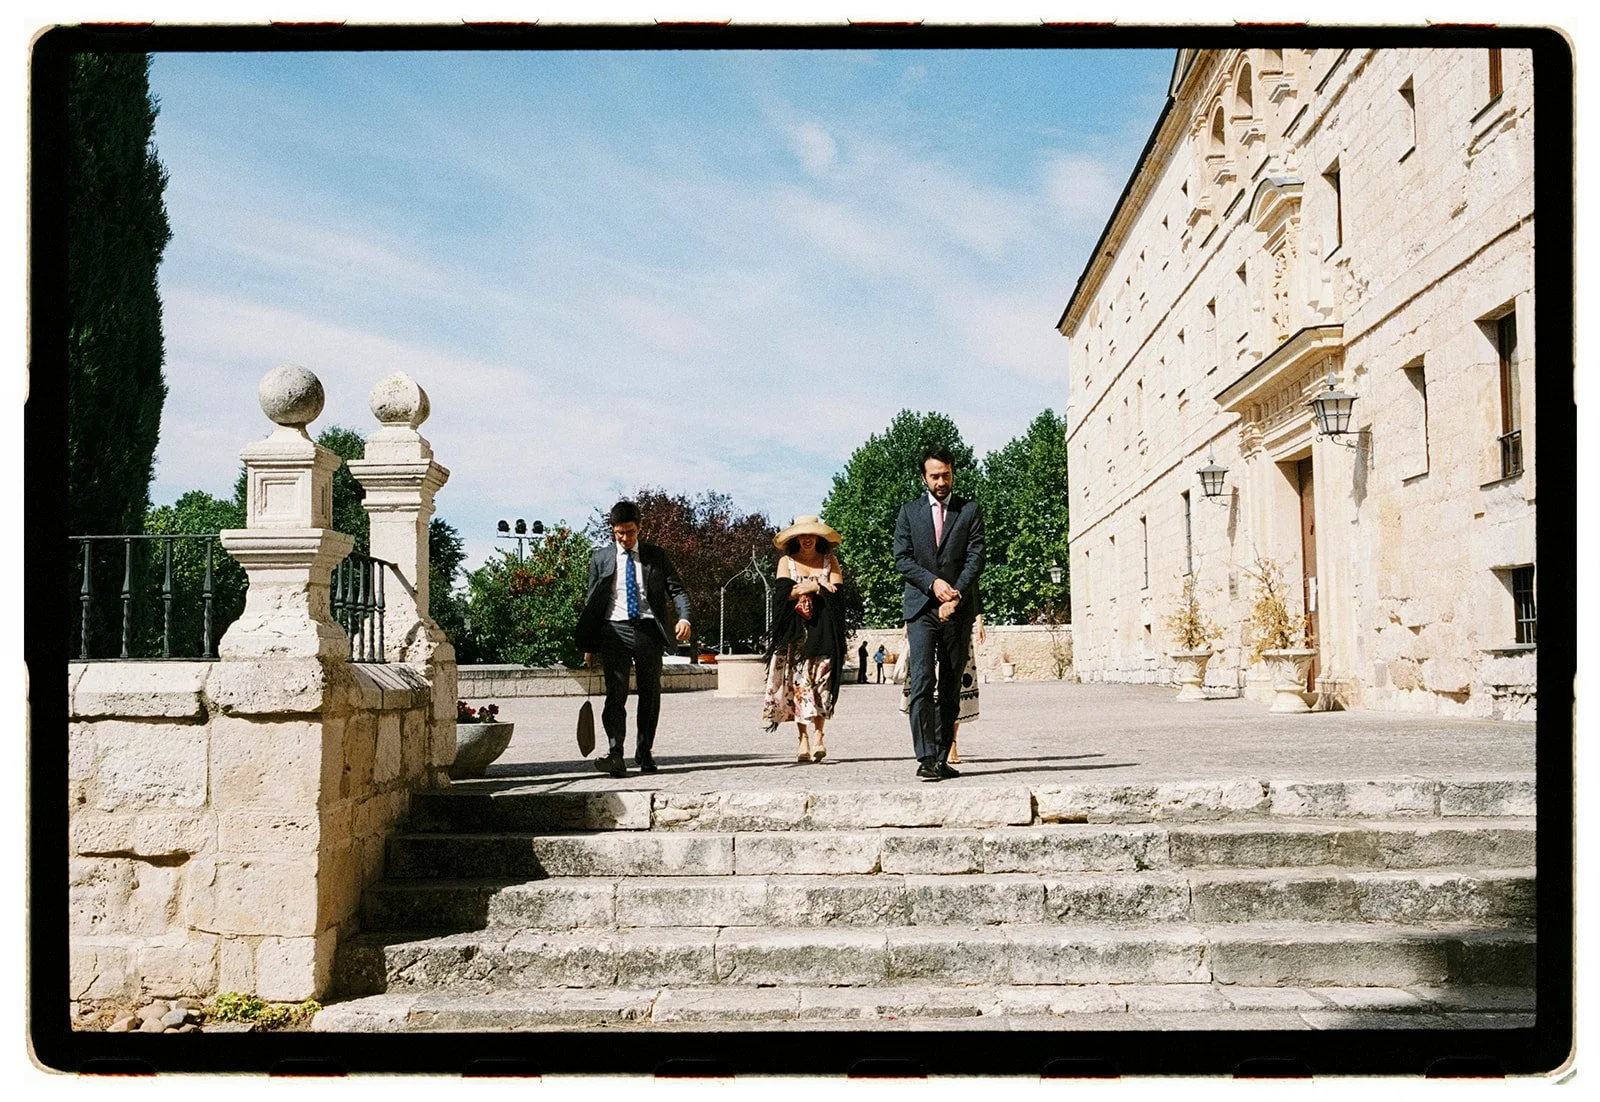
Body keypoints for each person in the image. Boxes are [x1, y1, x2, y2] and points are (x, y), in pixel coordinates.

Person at [574, 500, 692, 777]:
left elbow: (677, 590)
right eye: (619, 533)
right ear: (612, 530)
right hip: (613, 631)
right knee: (616, 695)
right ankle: (616, 753)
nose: (625, 538)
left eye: (630, 532)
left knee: (650, 695)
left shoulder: (656, 556)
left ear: (640, 528)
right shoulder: (600, 558)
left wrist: (684, 618)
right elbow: (592, 602)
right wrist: (589, 645)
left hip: (648, 631)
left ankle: (645, 750)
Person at [893, 445, 984, 782]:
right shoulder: (909, 512)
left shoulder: (969, 511)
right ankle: (925, 757)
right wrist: (934, 586)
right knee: (922, 682)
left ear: (953, 473)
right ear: (924, 478)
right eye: (935, 476)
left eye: (946, 474)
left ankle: (942, 755)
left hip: (957, 610)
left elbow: (976, 558)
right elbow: (902, 559)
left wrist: (955, 594)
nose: (941, 481)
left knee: (949, 686)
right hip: (920, 608)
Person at [761, 516, 847, 763]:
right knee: (800, 688)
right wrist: (810, 587)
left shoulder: (830, 561)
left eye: (812, 534)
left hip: (825, 632)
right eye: (803, 535)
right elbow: (780, 597)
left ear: (819, 537)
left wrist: (816, 588)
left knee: (822, 686)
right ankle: (803, 739)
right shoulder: (786, 562)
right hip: (796, 635)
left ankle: (820, 736)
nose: (807, 539)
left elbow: (838, 598)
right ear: (795, 538)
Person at [902, 613, 982, 763]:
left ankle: (950, 743)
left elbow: (973, 590)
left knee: (955, 689)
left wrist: (979, 621)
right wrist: (909, 619)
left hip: (956, 619)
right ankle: (928, 752)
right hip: (924, 619)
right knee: (924, 684)